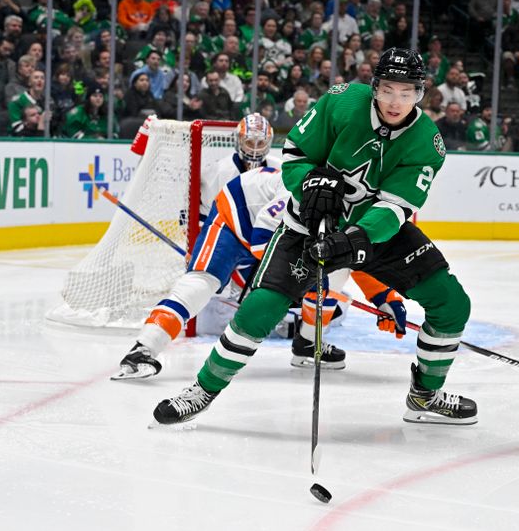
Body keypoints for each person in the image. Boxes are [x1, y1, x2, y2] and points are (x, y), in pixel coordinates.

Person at [152, 48, 477, 426]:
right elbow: (295, 154)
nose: (395, 102)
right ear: (374, 87)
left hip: (375, 234)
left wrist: (354, 240)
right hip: (307, 225)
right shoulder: (342, 102)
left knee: (452, 303)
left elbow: (394, 208)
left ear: (419, 94)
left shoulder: (426, 141)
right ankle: (202, 390)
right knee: (260, 308)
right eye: (387, 90)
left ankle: (424, 395)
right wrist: (309, 182)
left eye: (406, 93)